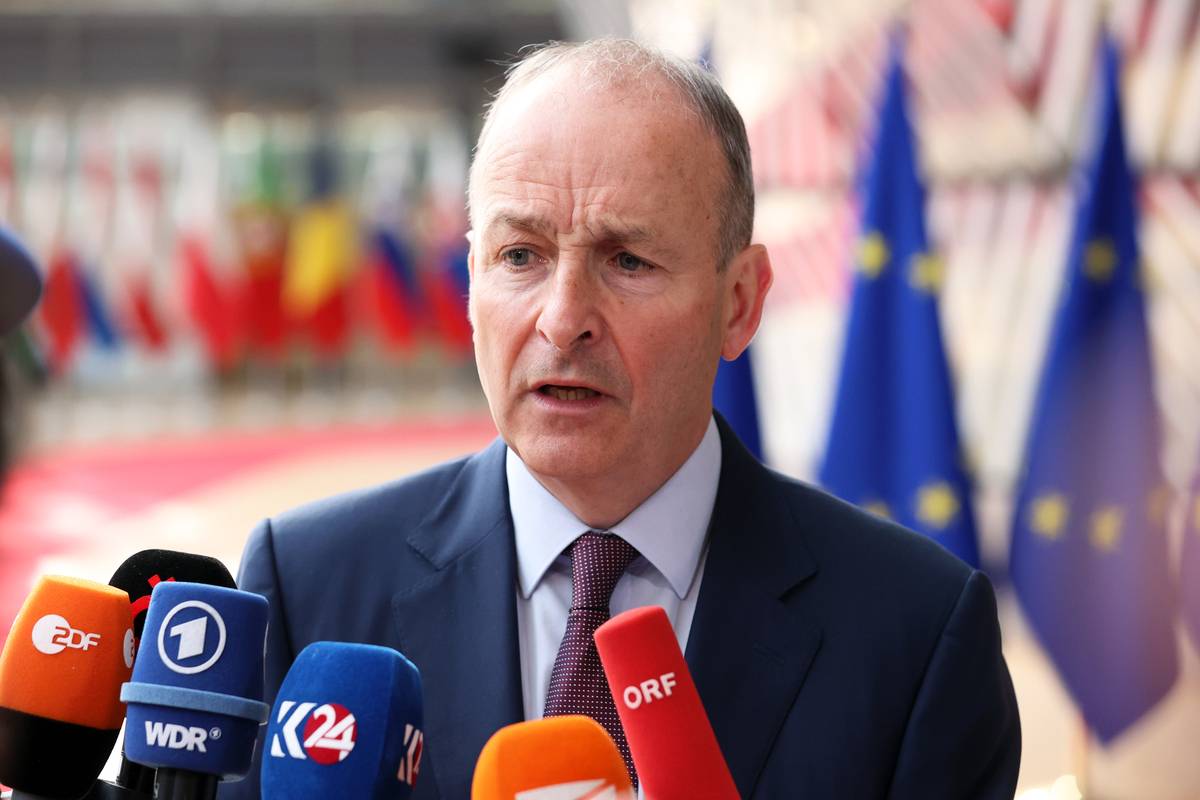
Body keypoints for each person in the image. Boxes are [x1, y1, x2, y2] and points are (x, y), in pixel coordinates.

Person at [227, 39, 1020, 799]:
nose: (562, 318)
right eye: (519, 256)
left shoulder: (916, 636)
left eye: (628, 261)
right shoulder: (305, 588)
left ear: (738, 304)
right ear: (470, 280)